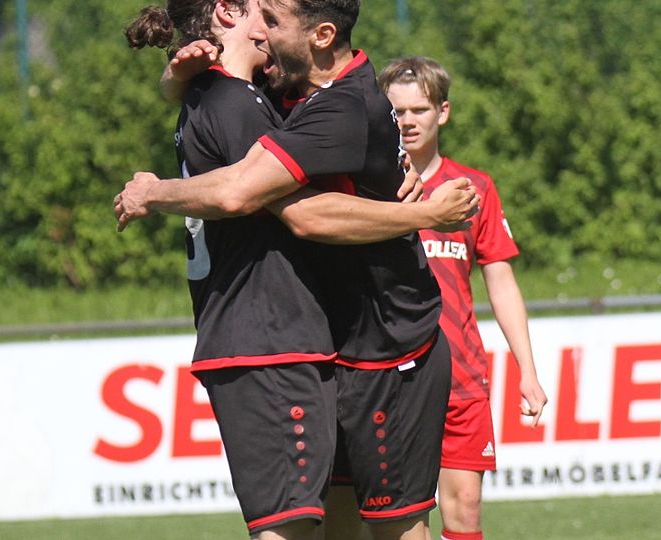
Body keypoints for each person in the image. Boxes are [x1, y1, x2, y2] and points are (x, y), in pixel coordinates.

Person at [118, 2, 473, 539]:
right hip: (329, 343)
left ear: (321, 35)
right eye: (258, 16)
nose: (263, 32)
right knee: (331, 524)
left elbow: (270, 203)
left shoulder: (341, 108)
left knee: (396, 528)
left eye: (274, 21)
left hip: (388, 344)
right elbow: (219, 92)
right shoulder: (282, 87)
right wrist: (178, 77)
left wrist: (152, 191)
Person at [378, 57, 548, 540]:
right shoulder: (369, 188)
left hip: (461, 373)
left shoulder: (473, 189)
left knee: (466, 508)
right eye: (396, 112)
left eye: (419, 109)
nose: (408, 121)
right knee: (403, 518)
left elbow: (501, 281)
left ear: (443, 112)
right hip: (392, 374)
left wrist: (528, 370)